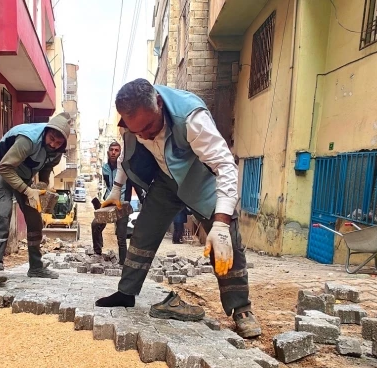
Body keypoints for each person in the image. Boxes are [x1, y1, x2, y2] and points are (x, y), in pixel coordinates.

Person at [95, 79, 261, 338]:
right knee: (143, 233)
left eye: (149, 127)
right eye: (138, 132)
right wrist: (116, 189)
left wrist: (220, 224)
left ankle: (241, 308)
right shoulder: (133, 126)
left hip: (201, 178)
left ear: (159, 103)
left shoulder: (191, 117)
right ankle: (126, 293)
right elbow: (126, 155)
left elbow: (225, 166)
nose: (145, 136)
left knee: (226, 242)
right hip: (165, 180)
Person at [0, 112, 71, 285]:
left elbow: (46, 168)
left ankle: (36, 267)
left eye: (58, 142)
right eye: (51, 138)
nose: (53, 144)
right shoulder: (28, 140)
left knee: (34, 218)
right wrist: (26, 190)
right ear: (47, 131)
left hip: (24, 175)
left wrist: (42, 186)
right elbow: (6, 168)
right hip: (3, 169)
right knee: (3, 213)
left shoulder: (57, 153)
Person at [91, 141, 128, 263]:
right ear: (108, 152)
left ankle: (123, 263)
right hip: (108, 203)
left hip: (121, 204)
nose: (113, 152)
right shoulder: (105, 168)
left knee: (121, 236)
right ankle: (97, 252)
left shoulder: (125, 168)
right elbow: (108, 186)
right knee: (95, 224)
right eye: (111, 150)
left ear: (120, 153)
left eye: (116, 150)